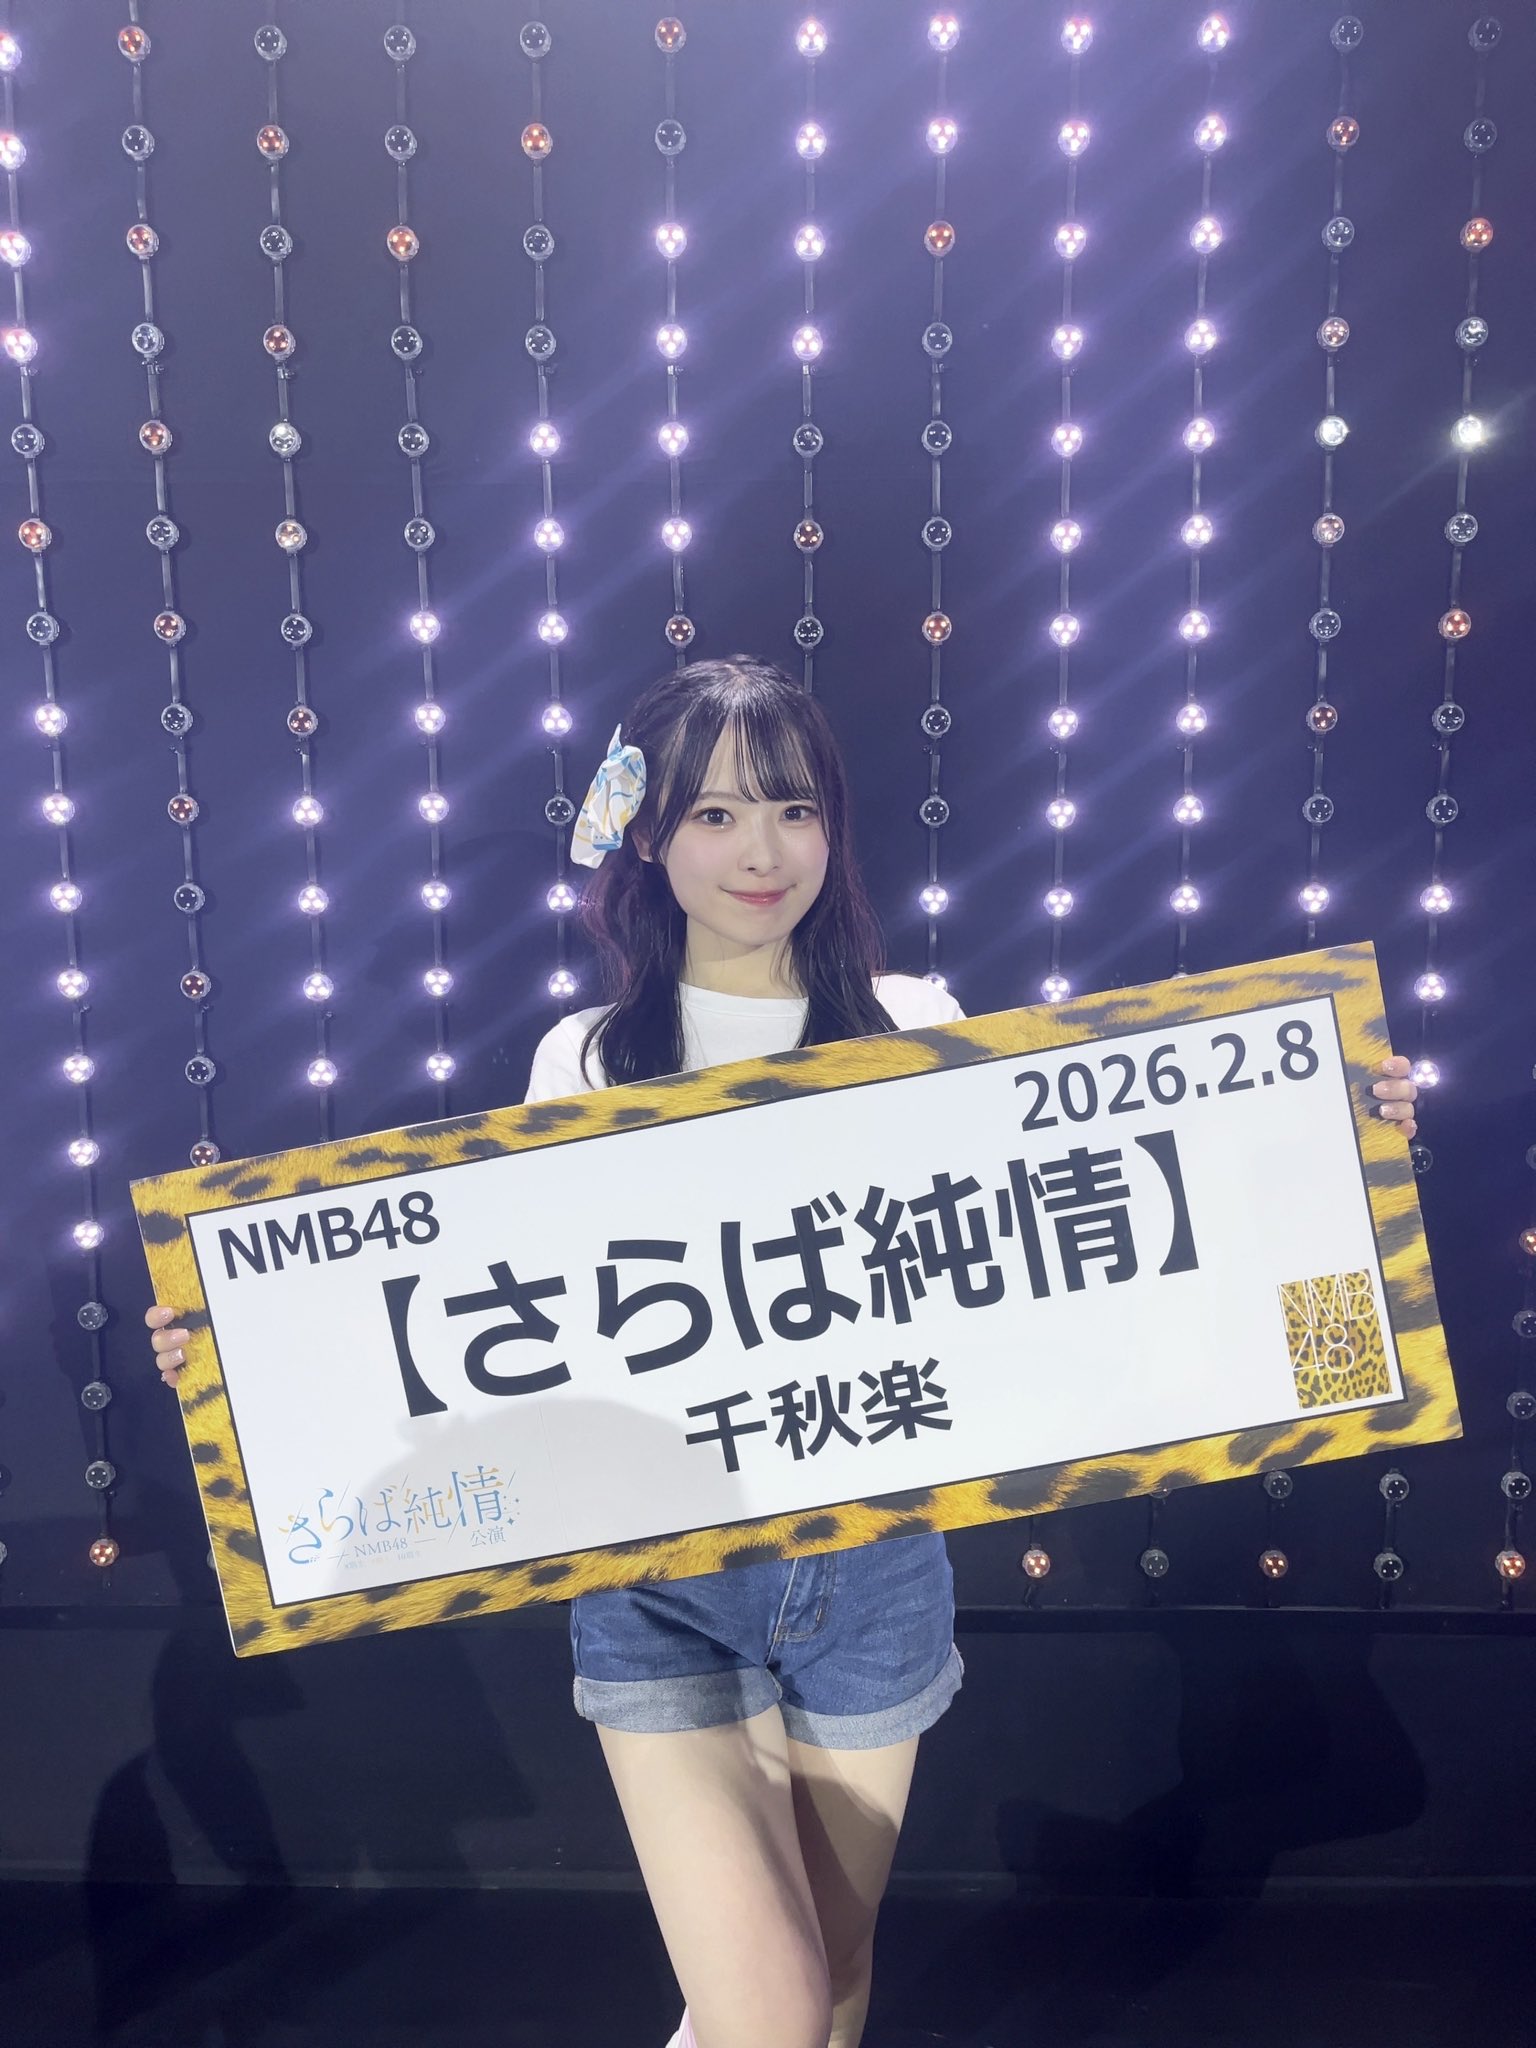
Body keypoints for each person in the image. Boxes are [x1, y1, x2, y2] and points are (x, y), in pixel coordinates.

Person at [146, 655, 1421, 2048]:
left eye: (794, 808)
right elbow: (486, 1315)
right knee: (767, 2012)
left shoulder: (916, 1020)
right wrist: (242, 1354)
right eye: (716, 814)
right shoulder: (588, 1060)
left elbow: (1078, 1222)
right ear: (647, 835)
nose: (762, 851)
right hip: (664, 1576)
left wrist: (1327, 1126)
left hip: (873, 1567)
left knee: (831, 1978)